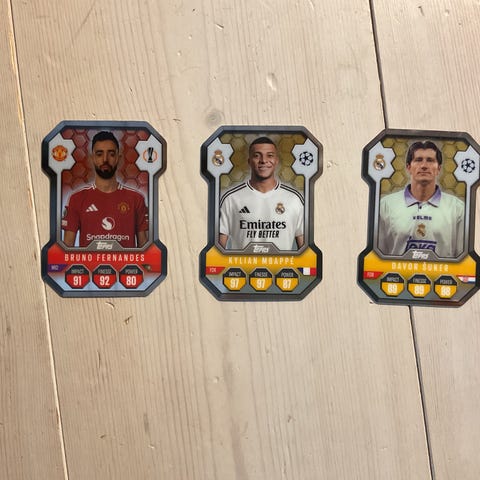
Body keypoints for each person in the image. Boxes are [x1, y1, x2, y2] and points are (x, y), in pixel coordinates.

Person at [378, 140, 464, 258]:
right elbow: (378, 256)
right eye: (418, 160)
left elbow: (463, 259)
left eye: (430, 160)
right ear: (408, 167)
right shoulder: (385, 205)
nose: (424, 166)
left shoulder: (457, 208)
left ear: (438, 168)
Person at [62, 131, 148, 248]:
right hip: (90, 261)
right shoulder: (76, 199)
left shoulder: (136, 199)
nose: (105, 159)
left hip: (124, 261)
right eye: (99, 154)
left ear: (118, 158)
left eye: (111, 154)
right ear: (92, 158)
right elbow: (66, 249)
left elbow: (145, 248)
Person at [219, 137, 304, 250]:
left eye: (270, 155)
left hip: (281, 263)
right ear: (249, 161)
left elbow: (306, 252)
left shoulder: (294, 199)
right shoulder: (231, 198)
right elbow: (217, 251)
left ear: (276, 161)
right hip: (244, 262)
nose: (263, 160)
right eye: (257, 155)